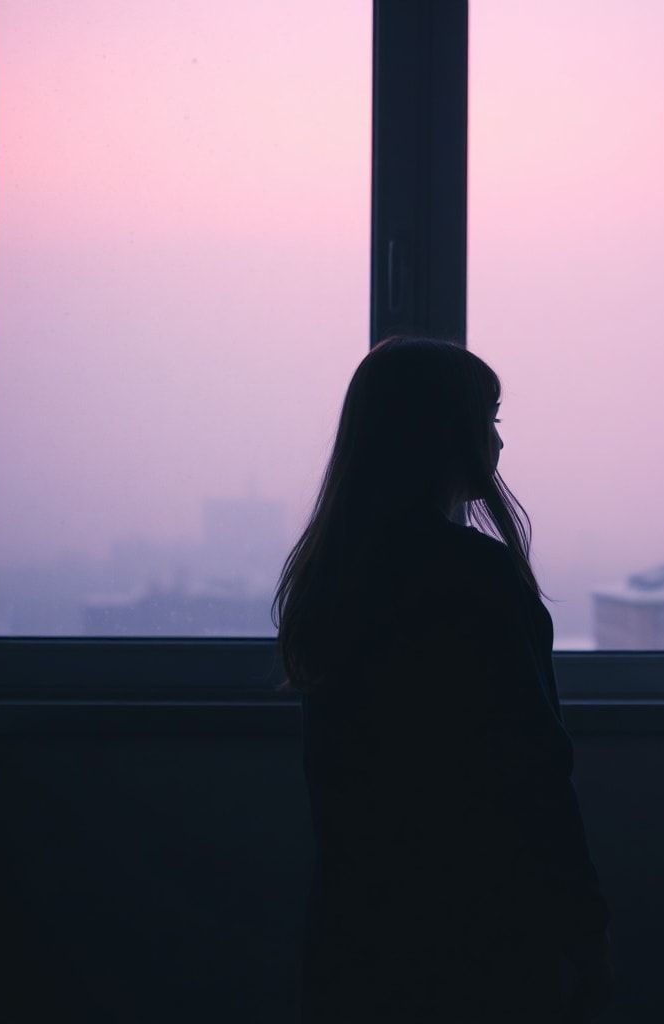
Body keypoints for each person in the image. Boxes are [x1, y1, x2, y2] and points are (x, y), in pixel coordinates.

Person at [272, 336, 613, 1023]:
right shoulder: (475, 578)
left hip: (356, 927)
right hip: (478, 926)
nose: (499, 444)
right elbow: (534, 771)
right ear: (443, 436)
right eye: (488, 420)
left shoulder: (329, 579)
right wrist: (585, 925)